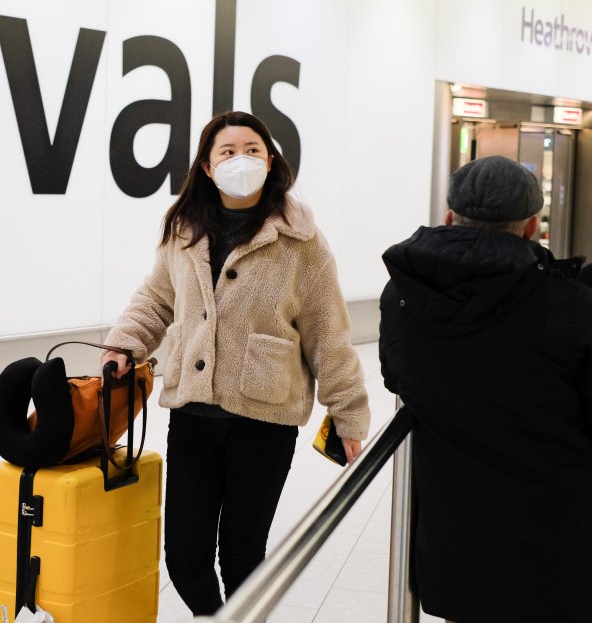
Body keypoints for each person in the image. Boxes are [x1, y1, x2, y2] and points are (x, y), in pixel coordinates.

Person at [100, 111, 371, 615]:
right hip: (192, 415)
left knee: (242, 552)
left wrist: (348, 412)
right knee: (184, 555)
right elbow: (156, 298)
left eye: (252, 149)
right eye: (227, 151)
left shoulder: (302, 240)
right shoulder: (182, 229)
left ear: (271, 160)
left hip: (264, 418)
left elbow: (328, 331)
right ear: (206, 165)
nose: (240, 159)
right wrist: (125, 344)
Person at [379, 155, 592, 623]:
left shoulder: (403, 295)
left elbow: (397, 376)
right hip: (557, 546)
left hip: (452, 544)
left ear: (450, 218)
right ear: (532, 227)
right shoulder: (572, 306)